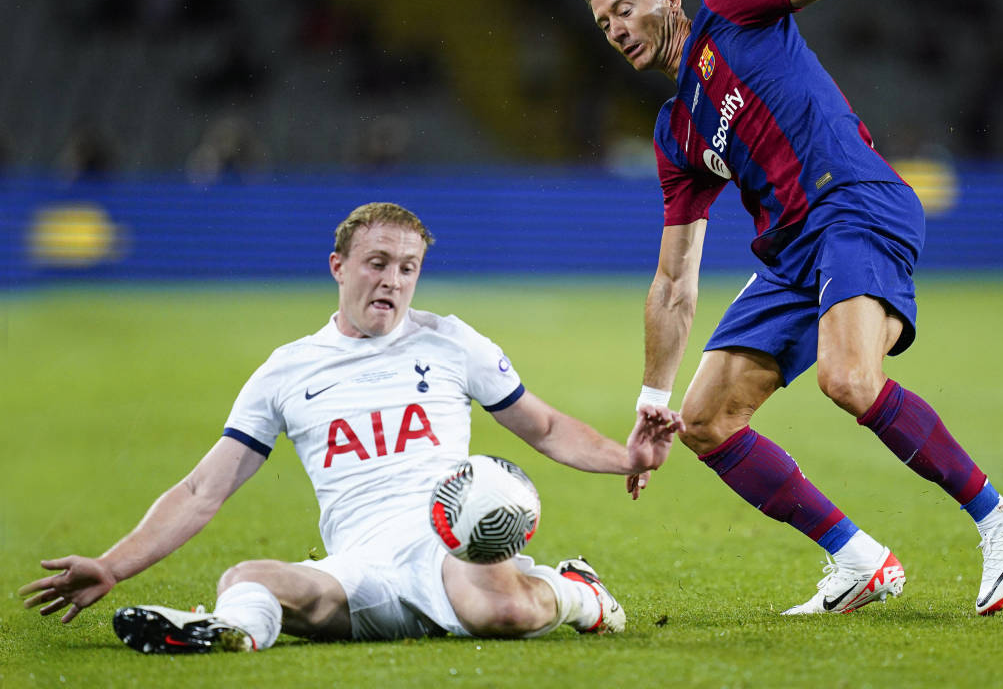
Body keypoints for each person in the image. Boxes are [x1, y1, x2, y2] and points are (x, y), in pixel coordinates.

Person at [579, 0, 1003, 616]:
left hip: (854, 203)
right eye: (602, 24)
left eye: (622, 9)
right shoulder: (675, 131)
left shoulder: (729, 10)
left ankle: (1001, 518)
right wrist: (653, 395)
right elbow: (674, 280)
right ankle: (858, 559)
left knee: (849, 378)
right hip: (791, 253)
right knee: (705, 420)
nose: (615, 30)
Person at [20, 202, 679, 652]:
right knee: (252, 578)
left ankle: (577, 592)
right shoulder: (286, 372)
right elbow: (202, 492)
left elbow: (544, 427)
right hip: (361, 569)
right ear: (338, 266)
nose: (392, 280)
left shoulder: (451, 343)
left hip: (451, 545)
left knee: (499, 611)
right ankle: (229, 632)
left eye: (407, 267)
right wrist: (111, 564)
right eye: (377, 262)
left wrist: (631, 458)